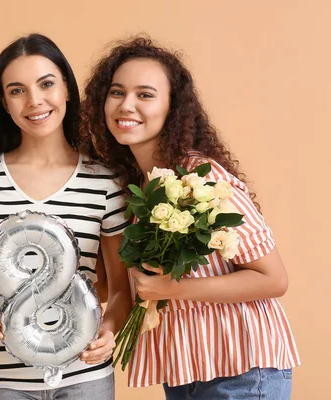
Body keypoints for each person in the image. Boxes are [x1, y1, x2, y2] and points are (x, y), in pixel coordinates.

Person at [80, 35, 300, 399]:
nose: (126, 105)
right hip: (186, 371)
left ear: (172, 107)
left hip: (241, 368)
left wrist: (174, 289)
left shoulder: (201, 177)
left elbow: (274, 279)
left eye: (145, 95)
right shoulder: (135, 189)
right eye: (116, 92)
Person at [0, 33, 131, 400]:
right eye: (17, 90)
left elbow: (122, 289)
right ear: (4, 102)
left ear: (67, 90)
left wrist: (108, 330)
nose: (34, 101)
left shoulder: (105, 183)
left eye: (46, 84)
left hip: (85, 377)